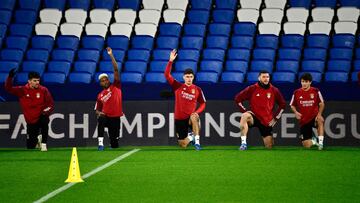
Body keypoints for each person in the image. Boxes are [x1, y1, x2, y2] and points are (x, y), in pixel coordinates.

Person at [164, 49, 206, 150]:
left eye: (191, 77)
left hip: (190, 118)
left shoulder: (197, 89)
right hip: (179, 119)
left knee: (194, 117)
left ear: (193, 78)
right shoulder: (177, 86)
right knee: (182, 145)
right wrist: (170, 61)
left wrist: (196, 112)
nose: (189, 79)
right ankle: (191, 136)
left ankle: (197, 143)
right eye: (187, 77)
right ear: (183, 77)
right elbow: (167, 75)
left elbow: (203, 103)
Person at [234, 70, 286, 150]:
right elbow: (237, 98)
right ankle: (243, 143)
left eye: (267, 77)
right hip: (254, 116)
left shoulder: (274, 90)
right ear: (259, 78)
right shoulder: (252, 88)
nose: (266, 79)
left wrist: (276, 118)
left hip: (266, 121)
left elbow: (283, 104)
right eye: (263, 77)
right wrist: (244, 111)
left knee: (269, 147)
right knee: (244, 116)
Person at [5, 70, 54, 151]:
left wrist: (44, 112)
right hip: (30, 121)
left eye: (38, 80)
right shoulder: (22, 90)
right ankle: (37, 140)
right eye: (34, 81)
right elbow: (8, 88)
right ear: (29, 81)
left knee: (45, 121)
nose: (37, 82)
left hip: (41, 116)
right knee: (30, 147)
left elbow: (50, 104)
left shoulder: (43, 90)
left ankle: (44, 144)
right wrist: (10, 77)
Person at [95, 47, 123, 151]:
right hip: (106, 117)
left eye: (106, 79)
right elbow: (97, 109)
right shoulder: (100, 95)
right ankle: (100, 143)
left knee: (115, 144)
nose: (105, 81)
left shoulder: (116, 86)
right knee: (101, 119)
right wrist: (99, 113)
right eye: (102, 80)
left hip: (115, 118)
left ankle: (113, 142)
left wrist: (111, 55)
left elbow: (116, 69)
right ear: (100, 83)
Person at [290, 73, 325, 150]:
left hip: (314, 117)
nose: (304, 83)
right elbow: (292, 105)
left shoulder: (316, 91)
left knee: (320, 120)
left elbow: (321, 104)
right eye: (302, 81)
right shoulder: (296, 92)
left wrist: (319, 114)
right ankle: (314, 141)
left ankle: (321, 143)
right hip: (304, 120)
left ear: (310, 82)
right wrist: (295, 112)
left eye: (306, 82)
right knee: (306, 145)